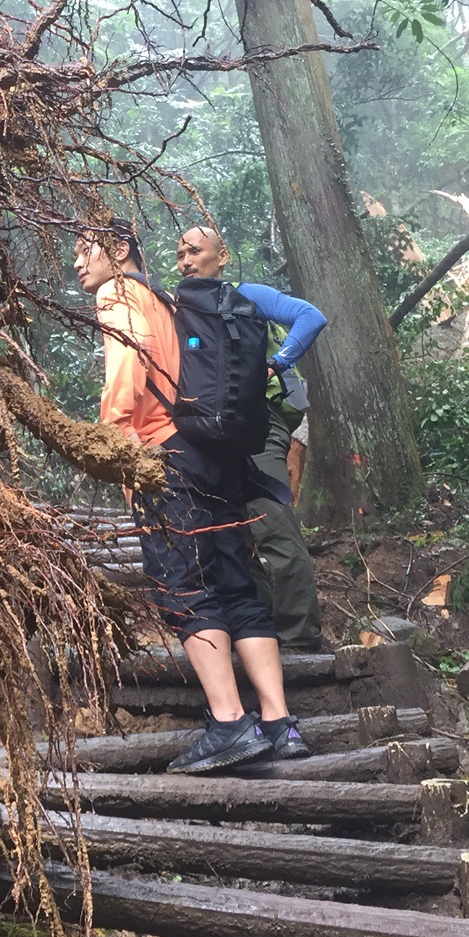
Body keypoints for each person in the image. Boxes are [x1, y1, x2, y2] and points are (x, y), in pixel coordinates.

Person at [73, 220, 310, 772]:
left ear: (121, 250)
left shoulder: (121, 292)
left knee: (184, 585)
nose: (79, 265)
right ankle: (278, 722)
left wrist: (109, 443)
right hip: (214, 454)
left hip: (163, 454)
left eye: (85, 251)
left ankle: (228, 722)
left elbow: (128, 373)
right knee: (235, 586)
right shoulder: (170, 299)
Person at [176, 224, 327, 654]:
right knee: (233, 535)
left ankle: (301, 639)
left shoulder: (247, 295)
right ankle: (263, 629)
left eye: (195, 251)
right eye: (180, 254)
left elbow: (311, 316)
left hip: (260, 427)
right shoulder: (183, 308)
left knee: (273, 528)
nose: (186, 261)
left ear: (221, 257)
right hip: (212, 436)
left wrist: (276, 364)